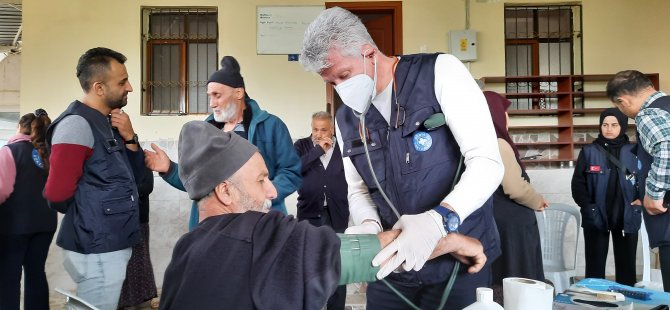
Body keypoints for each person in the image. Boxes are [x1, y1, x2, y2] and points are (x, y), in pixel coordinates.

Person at [159, 121, 488, 309]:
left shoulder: (183, 254)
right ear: (225, 191)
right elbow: (375, 253)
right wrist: (452, 240)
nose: (273, 192)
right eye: (261, 180)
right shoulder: (264, 236)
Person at [300, 7, 504, 309]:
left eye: (343, 75)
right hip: (394, 269)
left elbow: (487, 162)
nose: (340, 89)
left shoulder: (439, 72)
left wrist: (439, 220)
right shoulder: (345, 120)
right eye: (331, 83)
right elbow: (357, 189)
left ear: (369, 53)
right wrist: (369, 224)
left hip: (457, 262)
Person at [144, 55, 301, 230]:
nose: (211, 103)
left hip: (260, 223)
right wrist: (170, 169)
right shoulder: (207, 130)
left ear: (238, 93)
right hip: (213, 228)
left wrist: (268, 193)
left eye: (217, 95)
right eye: (209, 96)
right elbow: (198, 183)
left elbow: (291, 171)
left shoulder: (272, 126)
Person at [43, 47, 145, 310]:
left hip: (106, 243)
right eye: (122, 82)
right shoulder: (77, 125)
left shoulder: (105, 123)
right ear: (99, 88)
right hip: (96, 245)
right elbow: (57, 194)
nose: (130, 87)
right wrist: (89, 212)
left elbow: (141, 184)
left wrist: (131, 140)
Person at [607, 70, 670, 290]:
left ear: (623, 101)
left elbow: (667, 147)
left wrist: (654, 194)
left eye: (620, 108)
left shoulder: (648, 114)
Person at [484, 91, 547, 302]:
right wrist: (537, 200)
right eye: (504, 112)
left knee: (499, 282)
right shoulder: (498, 143)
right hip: (512, 226)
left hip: (493, 222)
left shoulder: (476, 141)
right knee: (519, 281)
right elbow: (515, 188)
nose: (507, 116)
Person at [571, 108, 641, 286]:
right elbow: (578, 184)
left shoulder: (635, 150)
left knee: (627, 270)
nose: (609, 129)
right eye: (605, 124)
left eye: (614, 125)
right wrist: (588, 206)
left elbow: (645, 178)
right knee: (594, 271)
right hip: (596, 216)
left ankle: (627, 302)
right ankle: (595, 303)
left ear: (623, 126)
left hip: (626, 215)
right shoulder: (588, 151)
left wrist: (640, 199)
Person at [0, 109, 56, 310]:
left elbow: (2, 190)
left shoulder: (9, 151)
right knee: (36, 274)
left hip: (14, 226)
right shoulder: (49, 153)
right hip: (46, 223)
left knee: (8, 277)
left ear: (19, 128)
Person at [293, 111, 349, 310]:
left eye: (323, 129)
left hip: (337, 214)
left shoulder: (343, 146)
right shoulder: (301, 145)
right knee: (310, 264)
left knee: (337, 265)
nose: (318, 133)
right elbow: (294, 169)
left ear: (331, 130)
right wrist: (317, 150)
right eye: (315, 129)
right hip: (309, 214)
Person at [118, 167, 159, 309]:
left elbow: (147, 187)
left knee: (140, 257)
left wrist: (122, 191)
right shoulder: (116, 158)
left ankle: (145, 296)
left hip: (139, 217)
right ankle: (125, 299)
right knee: (121, 260)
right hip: (116, 219)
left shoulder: (141, 158)